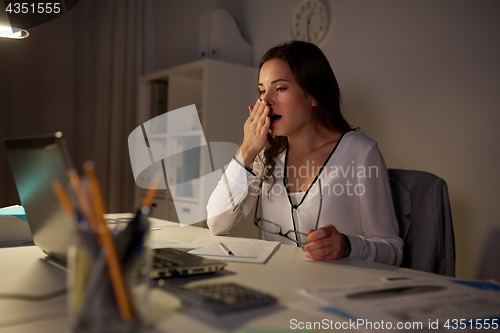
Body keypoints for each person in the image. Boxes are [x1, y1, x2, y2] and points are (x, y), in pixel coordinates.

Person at [207, 41, 403, 266]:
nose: (265, 101)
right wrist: (247, 149)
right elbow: (216, 223)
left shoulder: (361, 152)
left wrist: (348, 246)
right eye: (262, 90)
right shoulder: (265, 155)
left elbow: (393, 251)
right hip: (278, 290)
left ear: (313, 95)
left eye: (280, 88)